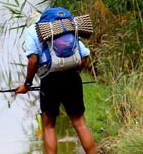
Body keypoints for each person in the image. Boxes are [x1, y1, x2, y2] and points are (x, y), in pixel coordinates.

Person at [16, 11, 97, 154]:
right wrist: (75, 73)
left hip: (50, 80)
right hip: (72, 77)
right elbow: (84, 55)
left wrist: (27, 85)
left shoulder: (31, 31)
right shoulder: (63, 26)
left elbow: (33, 60)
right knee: (80, 123)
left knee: (48, 126)